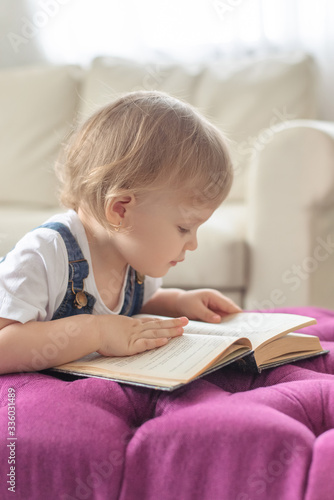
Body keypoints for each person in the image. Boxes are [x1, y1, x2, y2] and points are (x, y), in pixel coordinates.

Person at [0, 90, 241, 375]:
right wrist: (96, 333)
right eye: (184, 228)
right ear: (120, 211)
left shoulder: (131, 258)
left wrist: (177, 303)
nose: (193, 244)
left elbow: (134, 303)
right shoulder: (44, 255)